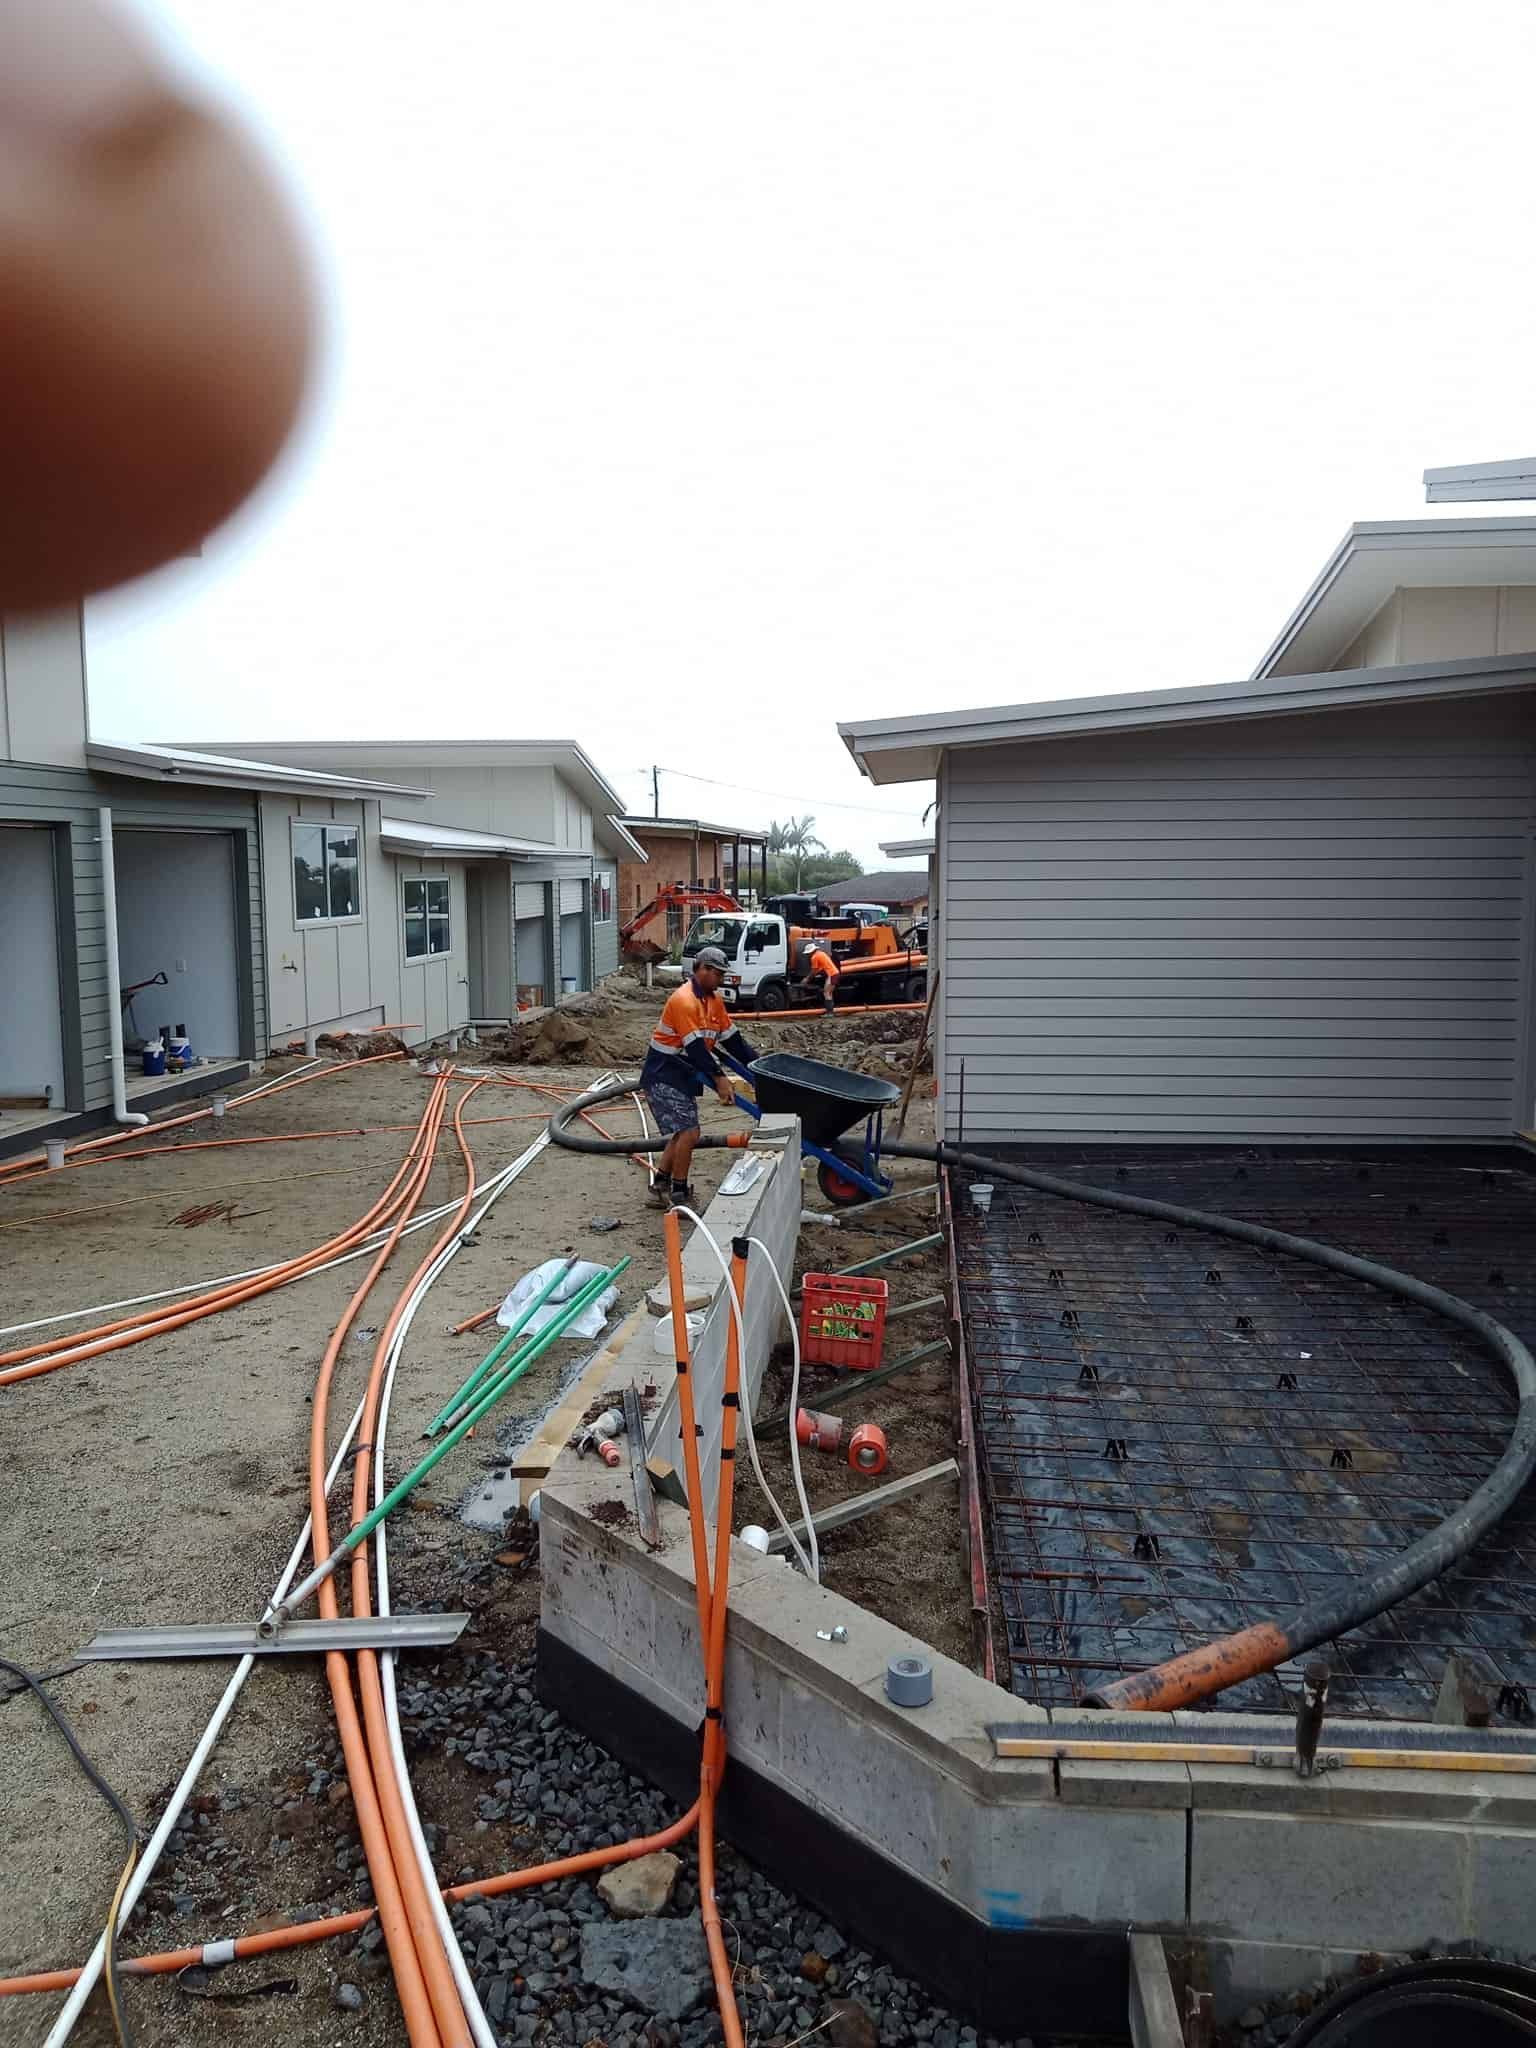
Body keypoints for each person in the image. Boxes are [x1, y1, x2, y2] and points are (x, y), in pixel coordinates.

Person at [638, 945, 758, 1210]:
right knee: (690, 1133)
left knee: (682, 1133)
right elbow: (694, 1048)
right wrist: (720, 1079)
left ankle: (660, 1186)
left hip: (682, 1073)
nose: (721, 979)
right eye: (717, 974)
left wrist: (759, 1068)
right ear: (701, 969)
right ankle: (679, 1194)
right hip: (663, 1074)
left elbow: (734, 1042)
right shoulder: (684, 1001)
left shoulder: (713, 1001)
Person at [807, 943, 841, 1017]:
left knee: (826, 993)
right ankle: (830, 1011)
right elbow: (823, 966)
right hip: (835, 973)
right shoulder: (821, 953)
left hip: (831, 975)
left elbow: (814, 970)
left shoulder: (814, 957)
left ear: (811, 951)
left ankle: (829, 1013)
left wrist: (807, 979)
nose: (808, 955)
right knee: (829, 993)